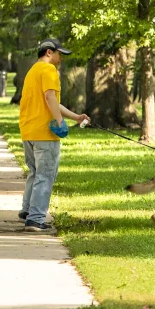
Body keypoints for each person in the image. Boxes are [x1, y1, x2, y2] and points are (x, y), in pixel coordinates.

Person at [18, 38, 90, 233]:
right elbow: (50, 98)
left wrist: (76, 117)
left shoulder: (32, 71)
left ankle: (27, 211)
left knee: (34, 173)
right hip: (45, 133)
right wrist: (60, 122)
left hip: (28, 131)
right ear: (49, 52)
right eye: (59, 54)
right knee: (46, 175)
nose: (61, 59)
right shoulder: (49, 71)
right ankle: (35, 219)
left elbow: (51, 102)